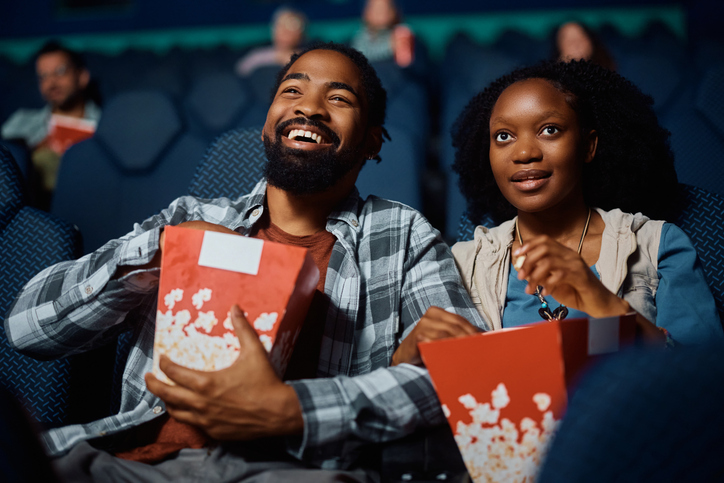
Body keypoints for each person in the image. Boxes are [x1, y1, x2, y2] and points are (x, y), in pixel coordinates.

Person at [5, 42, 486, 482]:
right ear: (267, 122)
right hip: (134, 462)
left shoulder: (401, 235)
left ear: (373, 143)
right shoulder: (189, 217)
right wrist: (157, 249)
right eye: (292, 90)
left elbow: (462, 375)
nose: (309, 106)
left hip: (294, 471)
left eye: (339, 99)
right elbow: (27, 328)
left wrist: (292, 410)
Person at [392, 60, 722, 367]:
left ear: (588, 145)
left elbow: (705, 378)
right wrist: (403, 359)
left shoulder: (656, 244)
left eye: (549, 130)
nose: (524, 153)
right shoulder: (462, 262)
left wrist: (604, 304)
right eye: (503, 136)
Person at [1, 40, 101, 208]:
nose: (51, 82)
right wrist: (32, 149)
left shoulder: (106, 126)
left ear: (82, 77)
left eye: (60, 72)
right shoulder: (21, 122)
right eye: (43, 76)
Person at [235, 6, 308, 77]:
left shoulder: (309, 58)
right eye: (280, 25)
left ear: (301, 33)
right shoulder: (257, 56)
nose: (285, 31)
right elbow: (240, 72)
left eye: (292, 26)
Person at [351, 0, 415, 68]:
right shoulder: (350, 46)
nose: (382, 12)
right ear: (365, 12)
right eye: (376, 8)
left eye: (386, 7)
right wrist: (390, 47)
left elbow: (421, 72)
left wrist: (404, 50)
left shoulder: (411, 41)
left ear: (395, 11)